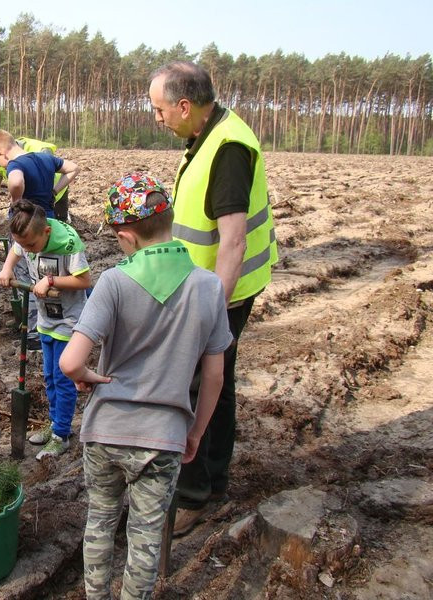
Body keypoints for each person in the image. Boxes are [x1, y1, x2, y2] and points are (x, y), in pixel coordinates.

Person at [58, 172, 232, 599]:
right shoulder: (208, 287)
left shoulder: (115, 281)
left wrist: (89, 377)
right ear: (168, 220)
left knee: (99, 523)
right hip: (164, 438)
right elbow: (215, 376)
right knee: (146, 538)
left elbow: (70, 362)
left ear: (128, 235)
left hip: (104, 432)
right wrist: (194, 433)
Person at [148, 61, 279, 536]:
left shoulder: (227, 150)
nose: (157, 118)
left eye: (160, 109)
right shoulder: (206, 135)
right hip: (207, 284)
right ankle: (216, 480)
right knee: (216, 380)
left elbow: (234, 242)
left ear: (185, 105)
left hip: (224, 291)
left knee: (192, 384)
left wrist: (210, 316)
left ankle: (193, 494)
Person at [0, 200, 90, 460]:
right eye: (23, 245)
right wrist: (7, 268)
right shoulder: (26, 236)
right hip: (46, 319)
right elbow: (15, 250)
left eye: (31, 246)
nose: (27, 251)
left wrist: (51, 280)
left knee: (62, 379)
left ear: (46, 232)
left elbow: (84, 280)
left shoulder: (68, 244)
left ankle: (61, 435)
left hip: (68, 322)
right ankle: (54, 423)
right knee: (48, 376)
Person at [0, 129, 81, 351]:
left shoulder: (15, 165)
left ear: (2, 152)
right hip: (48, 222)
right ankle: (60, 325)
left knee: (29, 277)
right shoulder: (45, 158)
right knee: (52, 272)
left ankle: (33, 332)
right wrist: (54, 190)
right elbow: (73, 168)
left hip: (26, 226)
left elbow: (17, 181)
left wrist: (16, 200)